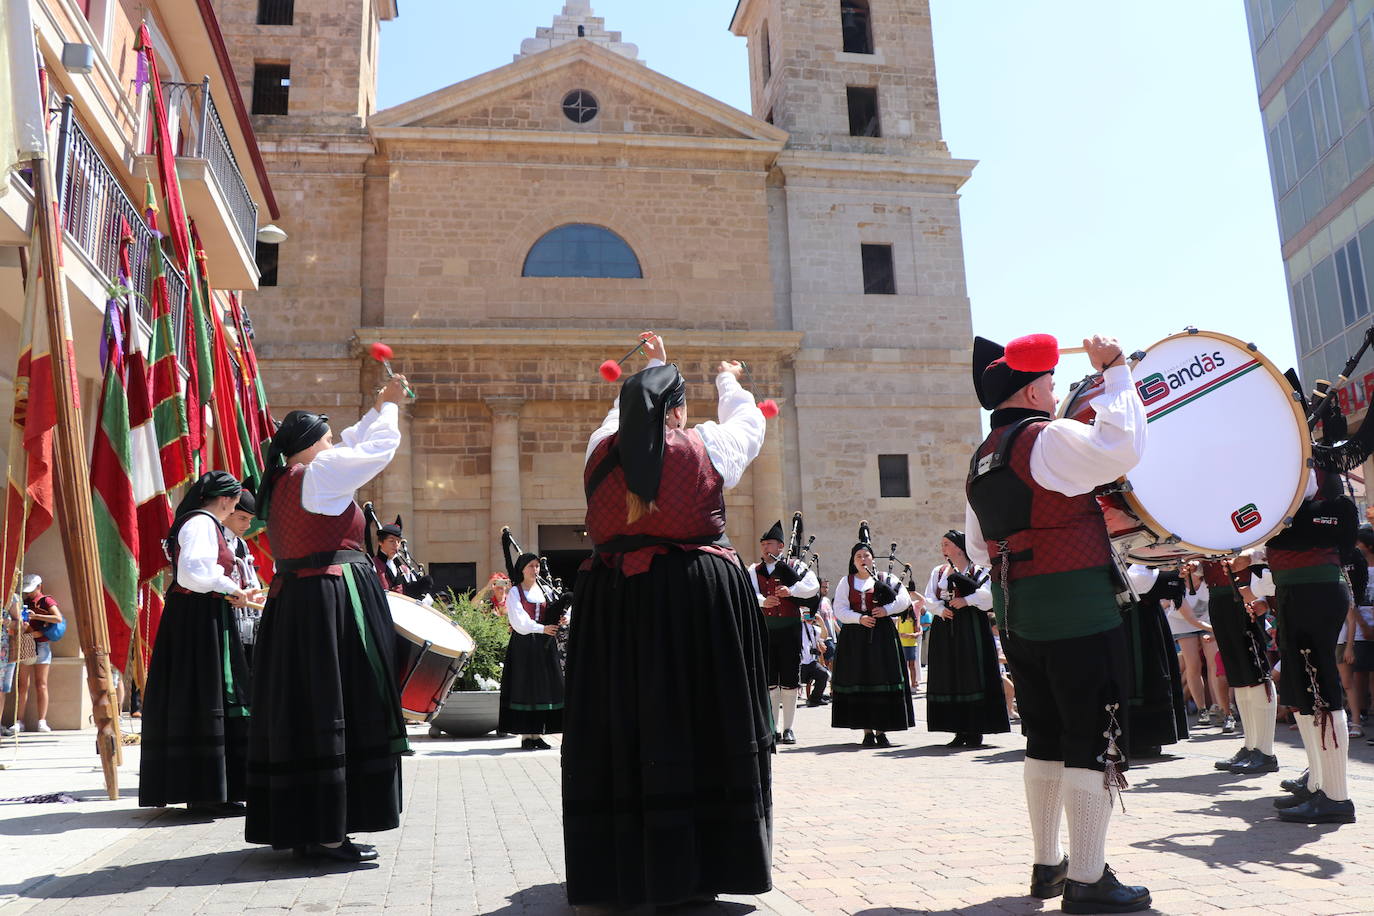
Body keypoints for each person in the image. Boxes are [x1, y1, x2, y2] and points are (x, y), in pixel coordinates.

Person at [564, 333, 770, 908]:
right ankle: (700, 864)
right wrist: (728, 378)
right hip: (692, 600)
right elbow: (750, 424)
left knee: (623, 723)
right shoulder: (706, 445)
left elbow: (621, 415)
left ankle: (621, 863)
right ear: (678, 410)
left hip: (615, 600)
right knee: (701, 720)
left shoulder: (600, 446)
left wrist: (653, 370)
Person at [965, 333, 1150, 913]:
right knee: (1091, 738)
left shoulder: (980, 458)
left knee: (1042, 736)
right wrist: (1117, 374)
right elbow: (1121, 447)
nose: (1052, 389)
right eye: (1046, 381)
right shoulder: (1048, 438)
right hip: (1077, 608)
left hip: (1020, 616)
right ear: (1029, 387)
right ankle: (1089, 879)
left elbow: (977, 549)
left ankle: (1049, 865)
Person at [245, 375, 411, 861]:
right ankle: (328, 832)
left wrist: (378, 403)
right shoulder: (322, 475)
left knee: (305, 709)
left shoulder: (284, 479)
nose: (334, 443)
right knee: (341, 701)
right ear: (313, 446)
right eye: (327, 438)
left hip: (295, 602)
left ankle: (310, 825)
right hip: (331, 602)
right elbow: (376, 449)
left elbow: (350, 444)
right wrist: (393, 410)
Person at [139, 472, 259, 814]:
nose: (236, 508)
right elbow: (193, 574)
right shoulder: (202, 524)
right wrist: (230, 588)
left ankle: (211, 790)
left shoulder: (200, 522)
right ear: (226, 500)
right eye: (236, 503)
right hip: (197, 621)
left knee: (205, 694)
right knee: (206, 693)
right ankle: (205, 792)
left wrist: (230, 590)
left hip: (200, 616)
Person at [1265, 468, 1358, 824]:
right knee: (1306, 691)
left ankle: (1336, 796)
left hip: (1314, 590)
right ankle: (1321, 785)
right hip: (1298, 589)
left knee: (1320, 688)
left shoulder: (1320, 498)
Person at [831, 525, 914, 748]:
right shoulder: (845, 582)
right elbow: (839, 609)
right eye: (858, 556)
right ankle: (867, 731)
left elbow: (904, 600)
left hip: (882, 636)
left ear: (872, 558)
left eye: (866, 555)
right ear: (853, 560)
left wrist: (885, 611)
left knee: (881, 679)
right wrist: (859, 618)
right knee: (861, 679)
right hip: (855, 638)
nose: (863, 558)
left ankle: (882, 730)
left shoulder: (886, 577)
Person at [922, 530, 1007, 749]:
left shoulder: (978, 570)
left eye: (947, 544)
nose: (943, 549)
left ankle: (975, 728)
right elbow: (929, 598)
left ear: (960, 547)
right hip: (946, 628)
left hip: (972, 629)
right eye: (942, 545)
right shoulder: (938, 572)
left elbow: (988, 596)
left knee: (972, 674)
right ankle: (958, 728)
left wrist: (966, 601)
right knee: (950, 675)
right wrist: (941, 610)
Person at [1199, 555, 1279, 775]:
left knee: (1255, 672)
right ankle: (1251, 746)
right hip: (1219, 596)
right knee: (1238, 676)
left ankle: (1265, 751)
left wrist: (1261, 596)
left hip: (1246, 593)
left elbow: (1259, 553)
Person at [748, 520, 819, 745]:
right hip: (766, 630)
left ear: (780, 546)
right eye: (763, 544)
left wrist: (792, 590)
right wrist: (762, 601)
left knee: (789, 680)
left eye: (769, 544)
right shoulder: (754, 570)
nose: (765, 548)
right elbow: (748, 592)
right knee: (769, 681)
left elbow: (813, 587)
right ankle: (772, 728)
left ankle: (788, 728)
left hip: (790, 629)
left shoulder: (795, 566)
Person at [499, 552, 567, 749]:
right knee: (525, 687)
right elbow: (519, 621)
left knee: (542, 688)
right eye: (531, 566)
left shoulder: (545, 590)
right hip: (524, 644)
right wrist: (541, 628)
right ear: (522, 569)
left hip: (544, 645)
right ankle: (526, 736)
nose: (535, 570)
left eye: (537, 566)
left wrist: (560, 619)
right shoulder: (515, 592)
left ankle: (537, 734)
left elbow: (555, 610)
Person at [1122, 566, 1188, 758]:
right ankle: (1134, 738)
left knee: (1146, 672)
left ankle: (1147, 737)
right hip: (1127, 616)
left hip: (1144, 617)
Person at [13, 574, 63, 732]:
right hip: (27, 642)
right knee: (22, 685)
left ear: (39, 587)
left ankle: (42, 721)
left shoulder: (46, 601)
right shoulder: (24, 601)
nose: (28, 594)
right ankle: (19, 721)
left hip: (41, 644)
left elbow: (58, 618)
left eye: (31, 590)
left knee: (41, 684)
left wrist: (38, 616)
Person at [222, 489, 263, 667]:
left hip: (242, 619)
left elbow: (248, 578)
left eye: (250, 520)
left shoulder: (241, 543)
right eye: (242, 518)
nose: (247, 526)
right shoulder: (218, 540)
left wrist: (252, 594)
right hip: (222, 617)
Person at [371, 517, 432, 600]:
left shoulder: (404, 569)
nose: (396, 545)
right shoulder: (372, 565)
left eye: (398, 541)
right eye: (391, 541)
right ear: (380, 542)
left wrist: (419, 589)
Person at [800, 610, 830, 706]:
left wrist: (821, 621)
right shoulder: (798, 626)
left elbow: (824, 636)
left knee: (824, 674)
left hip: (810, 662)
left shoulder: (814, 629)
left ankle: (815, 699)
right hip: (798, 662)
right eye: (807, 615)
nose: (809, 617)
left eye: (811, 615)